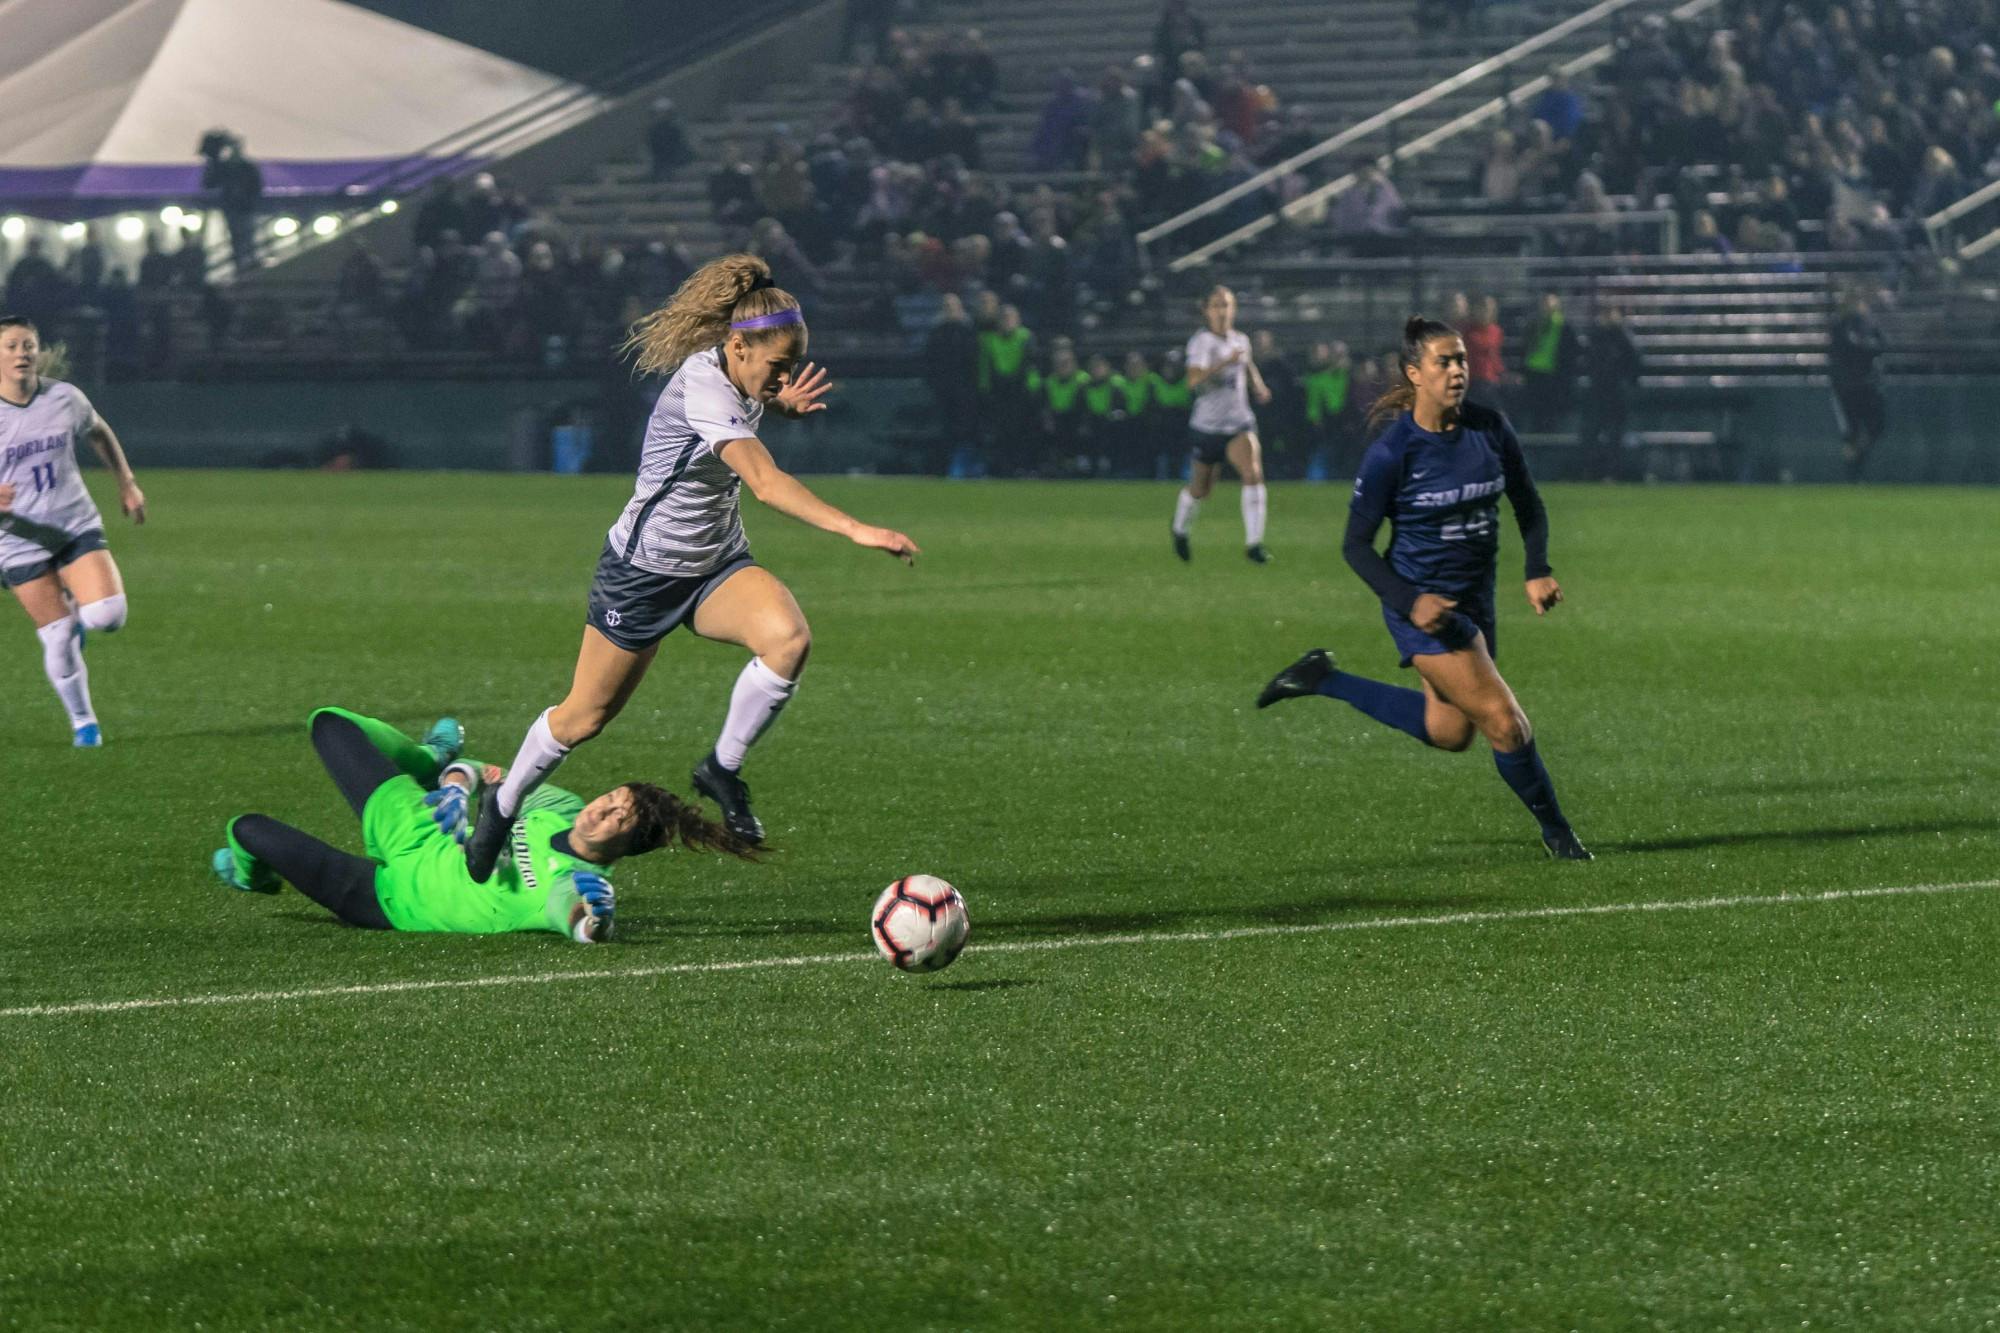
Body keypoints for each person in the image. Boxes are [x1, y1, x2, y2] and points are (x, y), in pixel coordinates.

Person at [464, 254, 920, 880]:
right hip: (644, 572)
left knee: (788, 642)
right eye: (776, 367)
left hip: (715, 565)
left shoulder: (741, 378)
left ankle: (721, 769)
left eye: (788, 368)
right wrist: (855, 527)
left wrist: (778, 403)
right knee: (585, 718)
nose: (782, 377)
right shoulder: (704, 385)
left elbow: (750, 417)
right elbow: (763, 480)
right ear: (737, 346)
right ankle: (503, 803)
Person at [1256, 314, 1590, 861]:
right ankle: (1559, 834)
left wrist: (1537, 568)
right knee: (1506, 725)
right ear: (1415, 373)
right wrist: (1412, 602)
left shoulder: (1490, 428)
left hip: (1475, 602)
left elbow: (1527, 502)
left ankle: (1322, 679)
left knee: (1450, 731)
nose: (1459, 370)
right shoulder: (1394, 452)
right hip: (1425, 608)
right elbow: (1356, 547)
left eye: (1462, 359)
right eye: (1445, 361)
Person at [210, 707, 755, 940]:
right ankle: (426, 758)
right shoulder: (559, 804)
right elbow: (491, 775)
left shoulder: (574, 882)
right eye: (611, 797)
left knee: (247, 829)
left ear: (626, 846)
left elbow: (574, 918)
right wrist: (453, 782)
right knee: (328, 723)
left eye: (618, 817)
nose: (602, 809)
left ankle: (249, 875)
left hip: (388, 900)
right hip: (422, 830)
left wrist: (596, 924)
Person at [0, 316, 146, 747]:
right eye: (10, 346)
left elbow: (99, 431)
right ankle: (84, 724)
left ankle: (79, 614)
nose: (22, 353)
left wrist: (127, 482)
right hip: (15, 539)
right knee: (59, 636)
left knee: (107, 616)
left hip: (72, 524)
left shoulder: (64, 398)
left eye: (28, 344)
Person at [1170, 285, 1273, 563]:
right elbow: (1193, 380)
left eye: (1226, 305)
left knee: (1252, 473)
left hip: (1238, 423)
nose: (1222, 311)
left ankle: (1254, 544)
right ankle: (1179, 528)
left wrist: (1258, 385)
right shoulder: (1202, 343)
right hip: (1207, 427)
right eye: (1216, 305)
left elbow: (1247, 364)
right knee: (1201, 490)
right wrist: (1222, 364)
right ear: (1206, 311)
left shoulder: (1240, 339)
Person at [1828, 288, 1886, 481]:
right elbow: (1850, 347)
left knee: (1875, 427)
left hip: (1866, 385)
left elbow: (1881, 344)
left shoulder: (1868, 324)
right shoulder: (1840, 324)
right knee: (1851, 432)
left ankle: (1857, 463)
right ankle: (1852, 474)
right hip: (1846, 386)